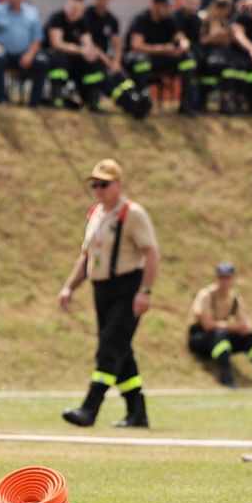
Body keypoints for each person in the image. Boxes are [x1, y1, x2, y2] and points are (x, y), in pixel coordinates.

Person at [56, 159, 157, 428]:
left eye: (104, 184)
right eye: (95, 185)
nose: (99, 190)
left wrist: (145, 291)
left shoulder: (133, 214)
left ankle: (89, 409)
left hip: (128, 287)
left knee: (109, 348)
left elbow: (151, 253)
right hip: (102, 290)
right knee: (121, 351)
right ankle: (137, 412)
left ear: (119, 185)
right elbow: (86, 256)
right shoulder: (96, 214)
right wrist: (69, 287)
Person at [187, 261, 252, 388]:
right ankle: (225, 376)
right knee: (220, 335)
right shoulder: (206, 295)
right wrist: (233, 327)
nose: (224, 281)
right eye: (221, 277)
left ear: (233, 279)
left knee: (251, 337)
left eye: (227, 277)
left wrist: (245, 327)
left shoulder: (234, 298)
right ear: (216, 278)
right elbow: (208, 325)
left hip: (220, 335)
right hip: (200, 338)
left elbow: (243, 319)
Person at [124, 0, 192, 111]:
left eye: (169, 6)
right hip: (139, 57)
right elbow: (136, 46)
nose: (168, 9)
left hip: (160, 57)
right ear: (155, 5)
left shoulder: (169, 20)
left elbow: (182, 39)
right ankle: (141, 101)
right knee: (141, 61)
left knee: (188, 59)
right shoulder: (141, 19)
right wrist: (164, 48)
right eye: (165, 6)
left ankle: (186, 103)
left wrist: (182, 48)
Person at [197, 0, 252, 114]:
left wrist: (227, 36)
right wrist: (215, 36)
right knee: (225, 66)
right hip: (210, 54)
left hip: (223, 52)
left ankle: (238, 99)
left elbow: (227, 44)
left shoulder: (225, 23)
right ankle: (225, 100)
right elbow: (202, 41)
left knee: (240, 65)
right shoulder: (204, 19)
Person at [44, 0, 109, 110]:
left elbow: (88, 43)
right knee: (60, 58)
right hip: (53, 58)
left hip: (74, 57)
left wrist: (91, 53)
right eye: (72, 8)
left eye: (78, 9)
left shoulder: (83, 22)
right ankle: (57, 98)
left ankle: (92, 101)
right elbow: (57, 44)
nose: (74, 12)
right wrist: (81, 50)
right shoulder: (57, 17)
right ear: (66, 6)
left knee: (93, 62)